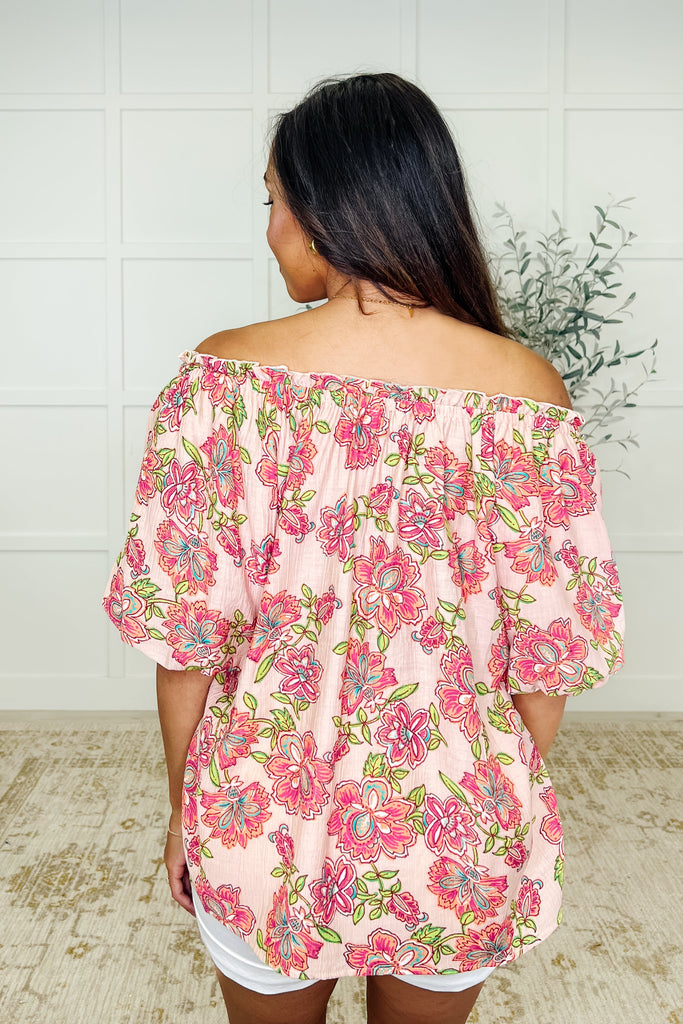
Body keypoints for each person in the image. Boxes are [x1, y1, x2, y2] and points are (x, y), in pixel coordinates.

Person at [103, 73, 625, 1024]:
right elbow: (547, 663)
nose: (270, 230)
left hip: (258, 818)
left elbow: (184, 645)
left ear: (320, 211)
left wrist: (187, 811)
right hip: (455, 834)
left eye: (272, 201)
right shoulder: (527, 394)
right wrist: (496, 794)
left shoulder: (220, 380)